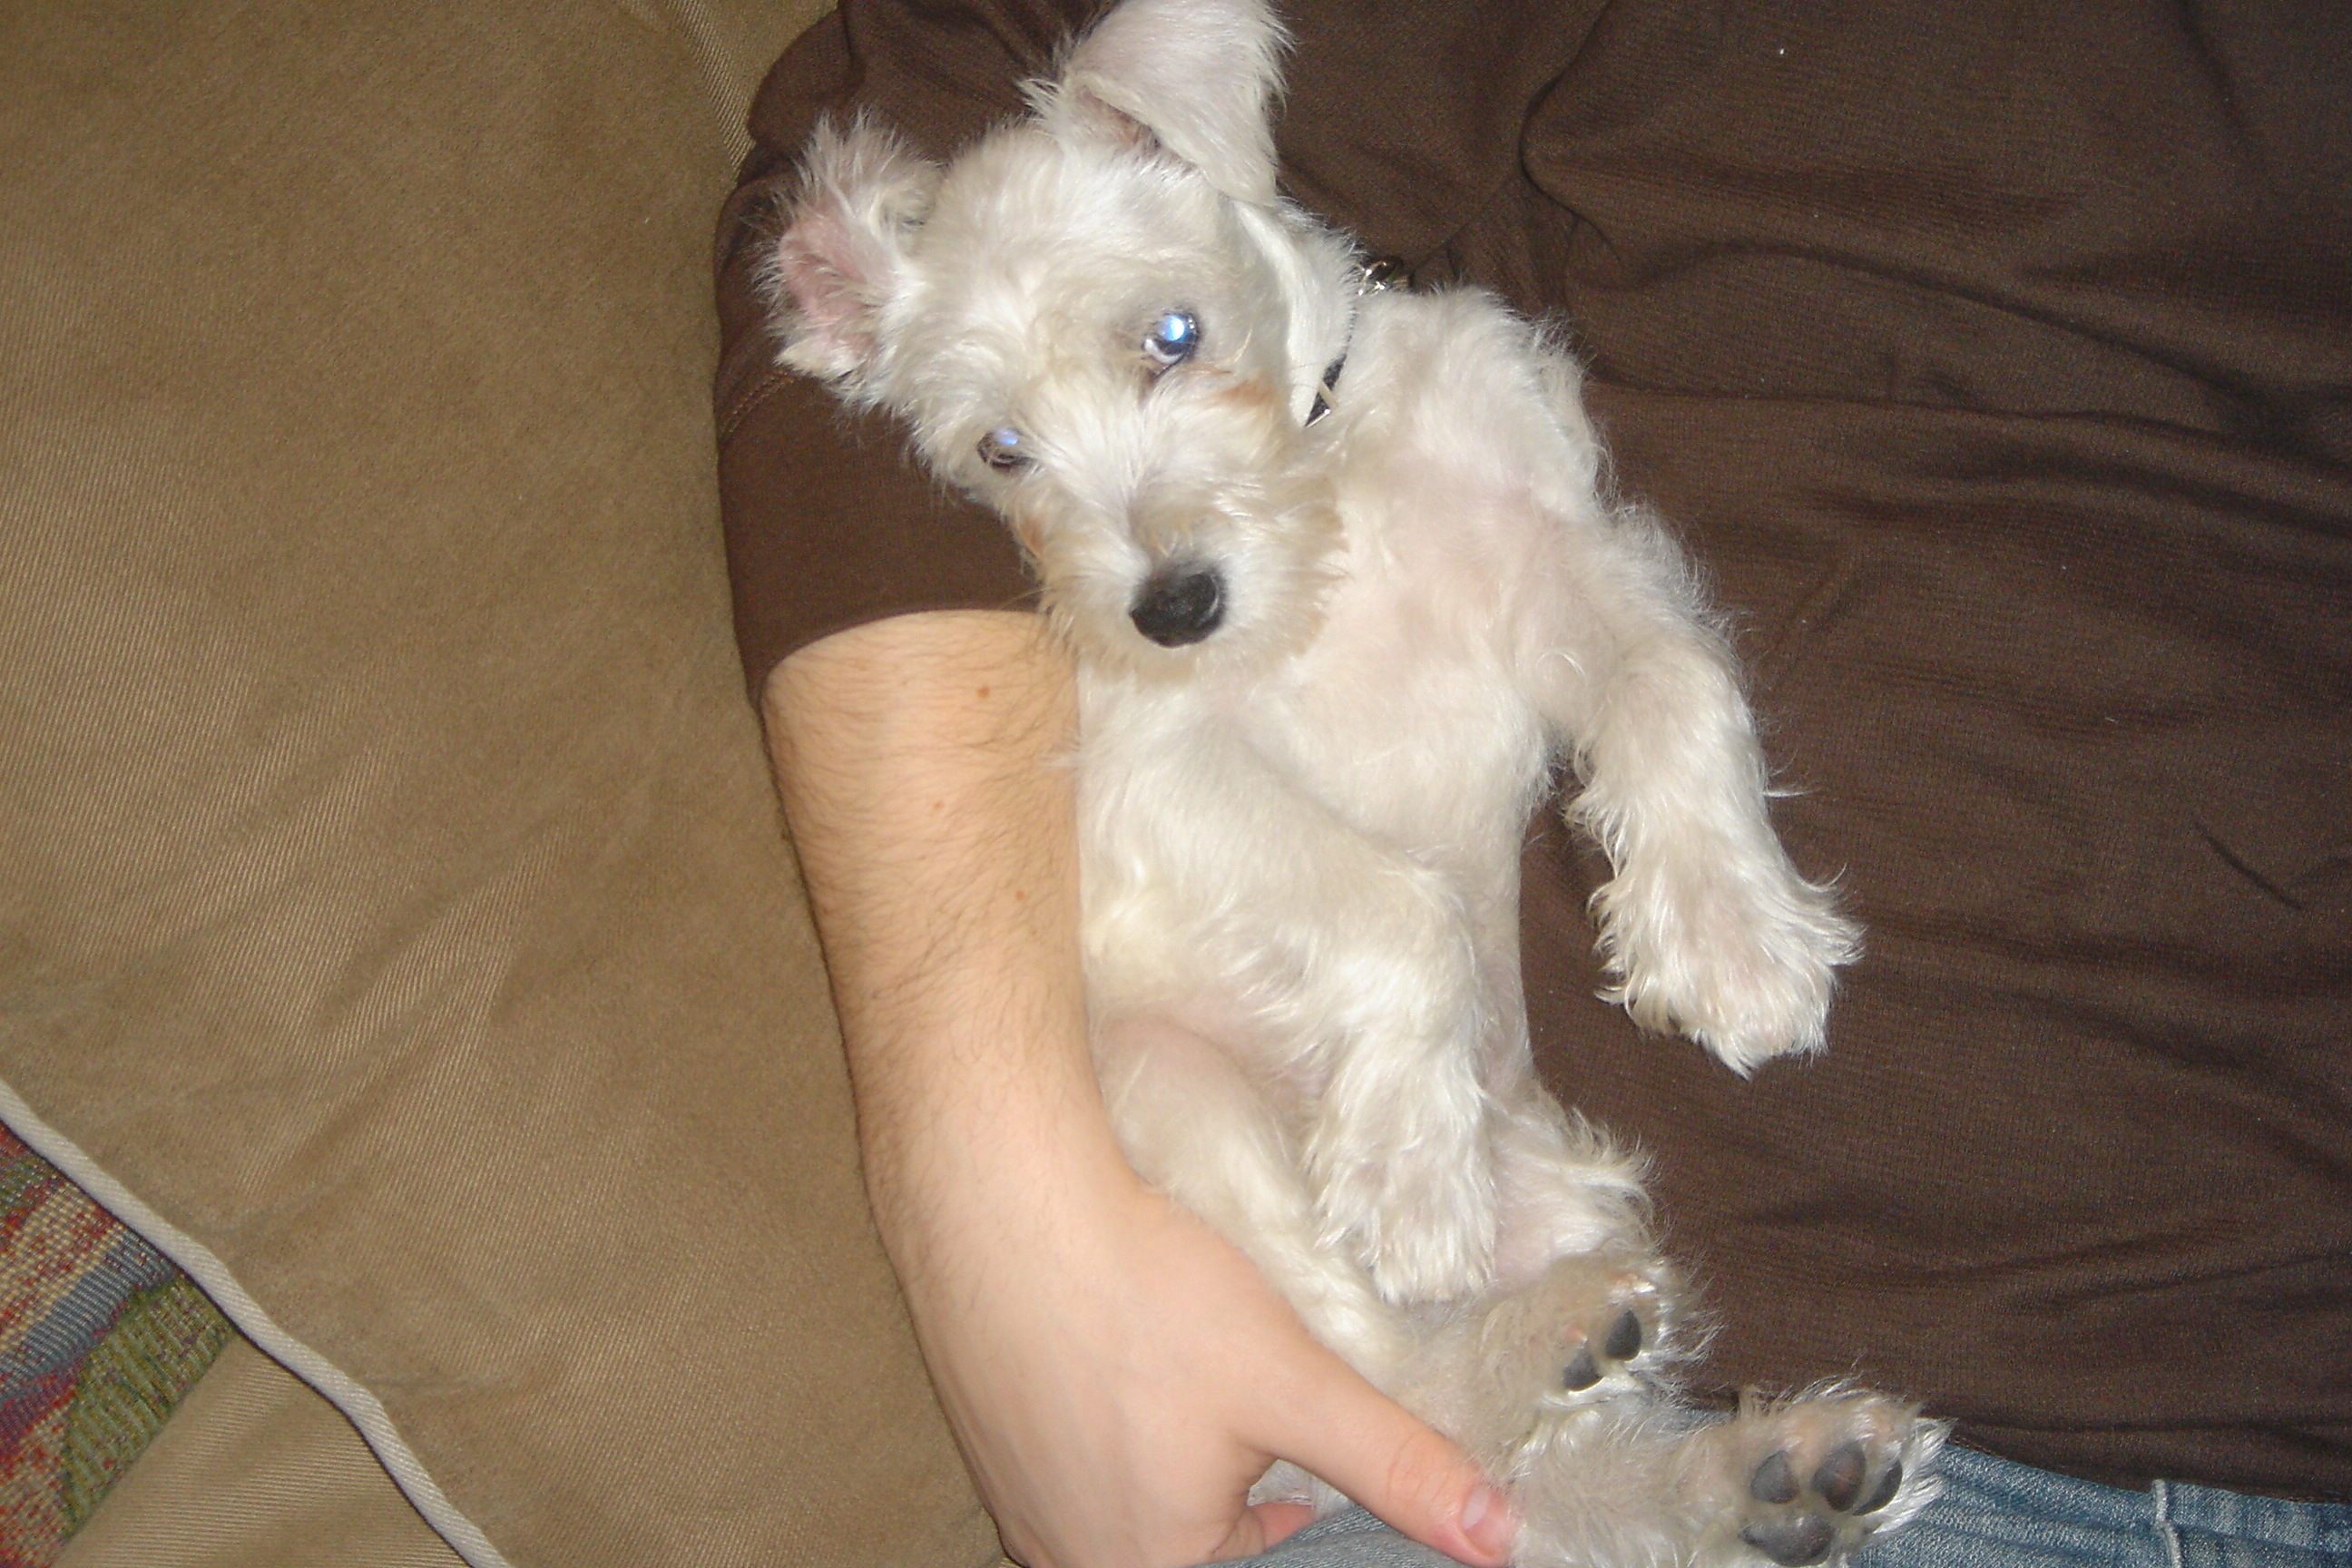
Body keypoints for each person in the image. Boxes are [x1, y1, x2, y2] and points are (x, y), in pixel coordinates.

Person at [714, 1, 2352, 1564]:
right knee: (1163, 1080)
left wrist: (1680, 787)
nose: (1139, 542)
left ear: (1201, 148)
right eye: (1010, 456)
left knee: (1564, 1239)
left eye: (1168, 342)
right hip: (1252, 1137)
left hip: (1545, 1173)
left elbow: (1596, 610)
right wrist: (1358, 995)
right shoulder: (1142, 601)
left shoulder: (1454, 373)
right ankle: (1467, 1428)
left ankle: (1644, 1498)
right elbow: (1154, 795)